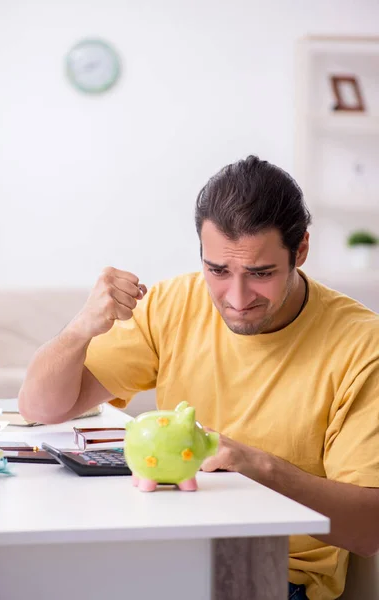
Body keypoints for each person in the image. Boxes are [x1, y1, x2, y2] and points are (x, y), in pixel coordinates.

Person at [19, 156, 379, 600]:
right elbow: (40, 408)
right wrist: (79, 328)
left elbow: (368, 530)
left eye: (261, 274)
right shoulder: (173, 302)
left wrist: (253, 465)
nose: (237, 298)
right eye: (218, 271)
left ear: (300, 250)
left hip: (270, 574)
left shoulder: (363, 345)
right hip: (167, 550)